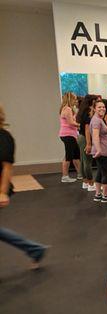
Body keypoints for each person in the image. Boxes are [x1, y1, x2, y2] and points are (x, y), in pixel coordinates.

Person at [0, 104, 48, 270]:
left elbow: (7, 166)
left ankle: (34, 248)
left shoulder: (4, 137)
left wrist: (2, 192)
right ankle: (34, 249)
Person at [90, 99, 107, 203]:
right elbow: (95, 136)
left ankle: (98, 194)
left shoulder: (98, 119)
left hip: (101, 150)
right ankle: (105, 196)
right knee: (105, 172)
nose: (102, 108)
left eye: (103, 107)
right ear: (94, 109)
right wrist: (99, 150)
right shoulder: (96, 120)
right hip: (102, 151)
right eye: (99, 107)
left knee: (100, 172)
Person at [58, 92, 82, 183]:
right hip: (67, 135)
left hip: (71, 134)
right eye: (74, 99)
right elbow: (71, 123)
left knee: (76, 155)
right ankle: (65, 176)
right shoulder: (67, 109)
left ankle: (80, 174)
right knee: (68, 156)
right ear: (70, 99)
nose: (76, 100)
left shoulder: (69, 109)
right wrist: (81, 125)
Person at [76, 94, 98, 191]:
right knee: (87, 161)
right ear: (92, 101)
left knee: (83, 160)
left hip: (81, 137)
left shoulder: (83, 110)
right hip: (85, 138)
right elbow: (87, 128)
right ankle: (91, 183)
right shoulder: (88, 111)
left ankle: (85, 182)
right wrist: (89, 144)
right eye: (97, 100)